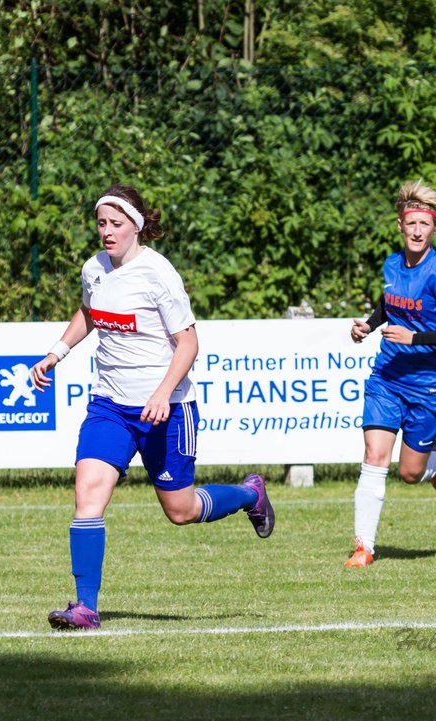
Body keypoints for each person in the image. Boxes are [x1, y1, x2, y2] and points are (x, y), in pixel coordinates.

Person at [31, 183, 275, 630]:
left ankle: (249, 494)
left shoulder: (158, 273)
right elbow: (89, 312)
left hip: (167, 408)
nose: (107, 231)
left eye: (116, 224)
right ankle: (85, 608)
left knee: (180, 510)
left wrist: (163, 392)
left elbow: (189, 342)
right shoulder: (94, 269)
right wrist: (56, 352)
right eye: (101, 223)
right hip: (109, 406)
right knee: (88, 496)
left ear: (136, 226)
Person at [345, 180, 436, 568]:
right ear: (400, 226)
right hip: (388, 375)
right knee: (374, 455)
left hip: (431, 386)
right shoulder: (391, 264)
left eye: (424, 224)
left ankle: (434, 457)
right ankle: (364, 546)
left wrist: (415, 337)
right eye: (410, 223)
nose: (417, 231)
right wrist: (367, 326)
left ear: (435, 229)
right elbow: (389, 305)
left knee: (410, 473)